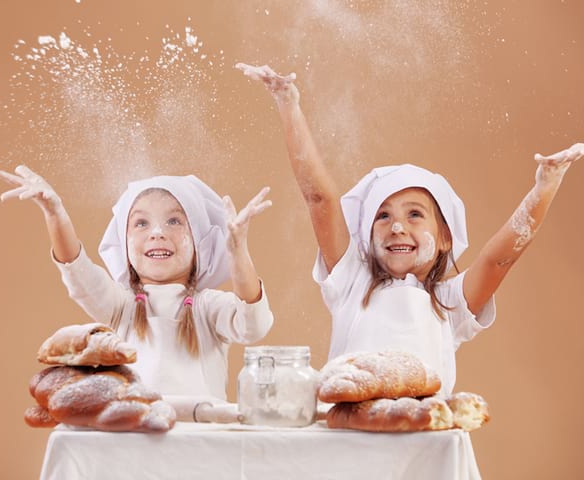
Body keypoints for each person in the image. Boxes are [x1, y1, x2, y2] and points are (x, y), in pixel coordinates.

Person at [236, 63, 582, 396]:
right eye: (382, 217)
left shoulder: (450, 304)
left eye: (415, 214)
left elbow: (498, 260)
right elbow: (319, 199)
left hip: (422, 442)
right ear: (367, 237)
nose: (397, 226)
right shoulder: (350, 282)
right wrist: (289, 105)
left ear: (445, 237)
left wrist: (544, 188)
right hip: (350, 440)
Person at [0, 165, 275, 410]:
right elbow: (79, 274)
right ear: (124, 243)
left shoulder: (208, 306)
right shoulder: (122, 305)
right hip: (132, 441)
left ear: (200, 241)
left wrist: (238, 253)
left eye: (174, 221)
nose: (157, 232)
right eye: (141, 222)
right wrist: (55, 214)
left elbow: (254, 324)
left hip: (198, 444)